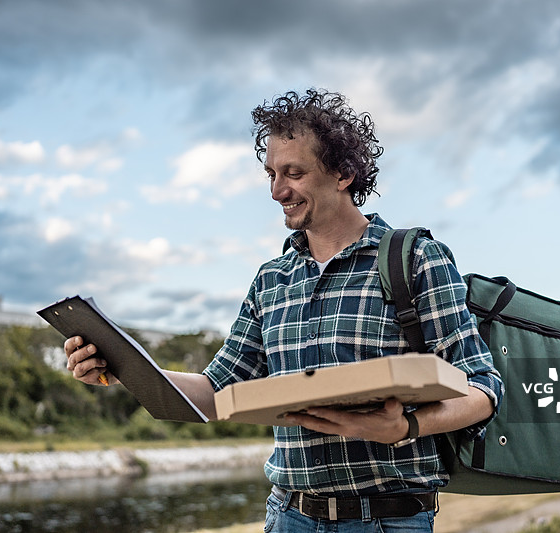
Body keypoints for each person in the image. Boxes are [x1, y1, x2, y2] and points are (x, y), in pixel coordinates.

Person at [65, 89, 503, 532]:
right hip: (289, 518)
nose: (277, 190)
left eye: (294, 173)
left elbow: (483, 390)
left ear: (344, 174)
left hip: (388, 521)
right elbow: (217, 393)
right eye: (271, 173)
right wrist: (120, 366)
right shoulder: (270, 280)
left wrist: (405, 427)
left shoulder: (414, 259)